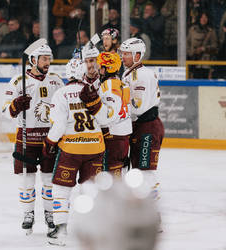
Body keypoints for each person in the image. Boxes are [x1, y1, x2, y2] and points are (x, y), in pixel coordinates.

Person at [3, 44, 64, 235]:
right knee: (26, 180)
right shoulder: (17, 81)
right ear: (33, 61)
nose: (47, 62)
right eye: (44, 59)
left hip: (50, 138)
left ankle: (50, 213)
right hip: (26, 138)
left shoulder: (56, 81)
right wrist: (15, 106)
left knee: (49, 180)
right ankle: (28, 214)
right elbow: (5, 111)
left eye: (49, 58)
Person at [44, 58, 105, 246]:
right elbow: (106, 119)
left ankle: (60, 232)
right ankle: (94, 229)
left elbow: (59, 125)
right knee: (91, 190)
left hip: (71, 149)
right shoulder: (95, 90)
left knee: (61, 190)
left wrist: (50, 142)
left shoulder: (61, 94)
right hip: (95, 147)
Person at [119, 38, 164, 200]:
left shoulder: (142, 75)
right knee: (138, 170)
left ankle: (153, 214)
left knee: (146, 172)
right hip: (141, 127)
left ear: (137, 55)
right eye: (122, 53)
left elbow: (139, 107)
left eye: (126, 54)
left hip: (147, 127)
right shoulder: (131, 73)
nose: (123, 57)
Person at [80, 50, 132, 178]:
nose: (99, 70)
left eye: (101, 68)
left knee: (112, 177)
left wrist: (94, 104)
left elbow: (108, 116)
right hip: (123, 135)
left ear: (108, 68)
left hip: (113, 136)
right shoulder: (120, 83)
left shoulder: (109, 85)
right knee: (119, 173)